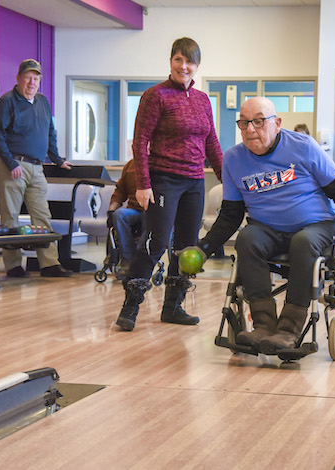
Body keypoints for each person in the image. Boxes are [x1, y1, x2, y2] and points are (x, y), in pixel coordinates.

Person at [184, 96, 335, 354]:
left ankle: (289, 331)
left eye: (259, 121)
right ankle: (263, 326)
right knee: (247, 239)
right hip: (268, 229)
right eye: (244, 123)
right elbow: (230, 215)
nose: (250, 129)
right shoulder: (233, 159)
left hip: (317, 225)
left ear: (277, 123)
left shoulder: (303, 146)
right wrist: (203, 249)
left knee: (303, 242)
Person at [116, 37, 223, 331]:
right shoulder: (156, 95)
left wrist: (226, 177)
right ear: (171, 62)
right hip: (163, 179)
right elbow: (140, 141)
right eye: (179, 60)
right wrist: (143, 183)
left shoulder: (202, 100)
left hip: (194, 182)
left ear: (197, 66)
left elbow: (211, 141)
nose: (184, 66)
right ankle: (130, 307)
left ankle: (173, 307)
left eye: (189, 61)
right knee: (156, 241)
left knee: (186, 246)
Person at [0, 59, 74, 278]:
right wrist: (10, 162)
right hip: (12, 166)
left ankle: (49, 264)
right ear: (18, 78)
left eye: (36, 78)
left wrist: (57, 160)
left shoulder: (43, 102)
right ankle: (14, 266)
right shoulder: (7, 102)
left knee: (42, 215)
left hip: (37, 168)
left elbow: (50, 133)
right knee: (10, 218)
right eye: (28, 77)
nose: (32, 82)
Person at [106, 159, 145, 277]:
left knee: (151, 217)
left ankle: (141, 260)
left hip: (152, 210)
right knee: (119, 214)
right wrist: (111, 211)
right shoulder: (130, 165)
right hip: (133, 210)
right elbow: (120, 192)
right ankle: (127, 260)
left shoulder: (160, 163)